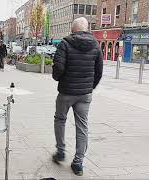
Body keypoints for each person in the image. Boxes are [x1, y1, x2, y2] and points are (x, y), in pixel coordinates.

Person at [51, 17, 103, 176]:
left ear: (73, 30)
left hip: (66, 92)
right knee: (82, 126)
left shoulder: (65, 44)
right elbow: (99, 71)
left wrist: (58, 77)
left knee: (60, 120)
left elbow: (58, 69)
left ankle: (60, 152)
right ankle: (78, 162)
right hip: (84, 95)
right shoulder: (95, 45)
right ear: (86, 29)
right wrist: (89, 87)